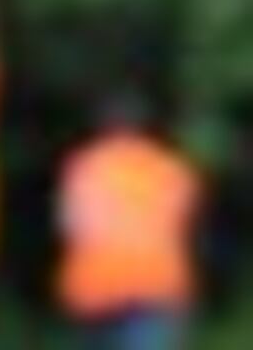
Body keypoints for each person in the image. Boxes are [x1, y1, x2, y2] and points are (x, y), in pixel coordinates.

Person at [60, 89, 203, 349]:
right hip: (158, 283)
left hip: (97, 286)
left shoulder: (85, 167)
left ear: (103, 128)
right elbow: (184, 220)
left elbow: (72, 225)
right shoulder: (170, 168)